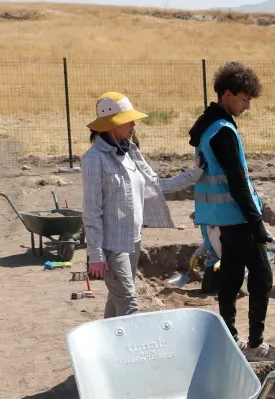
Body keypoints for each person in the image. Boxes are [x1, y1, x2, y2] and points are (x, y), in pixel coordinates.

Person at [189, 62, 275, 361]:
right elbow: (236, 181)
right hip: (237, 216)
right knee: (262, 276)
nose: (247, 106)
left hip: (222, 218)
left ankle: (230, 340)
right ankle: (256, 345)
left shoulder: (208, 126)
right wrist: (256, 221)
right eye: (244, 99)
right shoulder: (223, 131)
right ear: (228, 95)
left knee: (232, 276)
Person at [81, 92, 203, 317]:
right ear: (112, 124)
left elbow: (156, 185)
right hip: (112, 246)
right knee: (128, 302)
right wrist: (95, 253)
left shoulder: (131, 152)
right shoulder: (94, 159)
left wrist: (194, 174)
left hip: (133, 240)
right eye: (128, 120)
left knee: (117, 299)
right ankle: (131, 341)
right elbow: (91, 210)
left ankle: (109, 338)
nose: (134, 124)